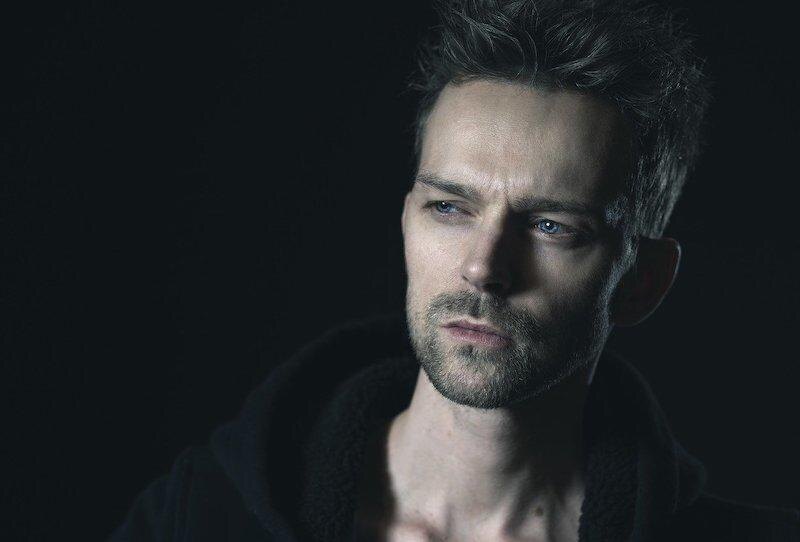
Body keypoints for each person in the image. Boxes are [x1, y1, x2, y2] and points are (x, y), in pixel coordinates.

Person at [111, 0, 799, 540]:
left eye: (552, 226)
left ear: (643, 280)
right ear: (405, 219)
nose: (483, 267)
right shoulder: (197, 516)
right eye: (449, 207)